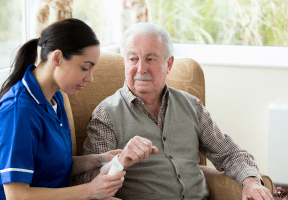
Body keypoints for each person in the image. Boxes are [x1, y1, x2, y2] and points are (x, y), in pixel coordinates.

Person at [79, 22, 274, 200]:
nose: (141, 68)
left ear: (169, 64)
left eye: (150, 59)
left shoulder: (191, 105)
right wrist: (120, 161)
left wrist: (251, 183)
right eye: (133, 59)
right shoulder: (106, 114)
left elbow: (230, 154)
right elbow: (90, 183)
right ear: (125, 63)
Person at [0, 18, 133, 200]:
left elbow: (52, 166)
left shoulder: (54, 97)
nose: (90, 78)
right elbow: (17, 196)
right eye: (84, 68)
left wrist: (98, 159)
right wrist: (90, 190)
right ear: (57, 58)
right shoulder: (19, 113)